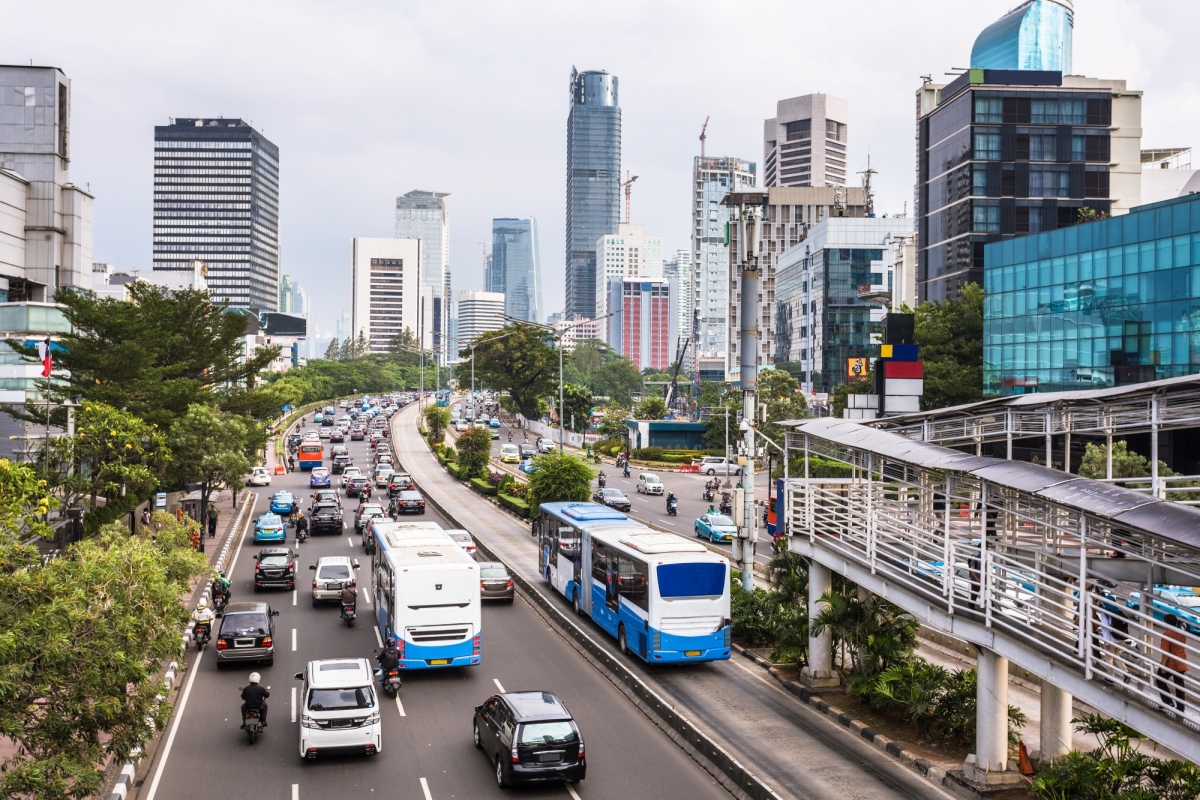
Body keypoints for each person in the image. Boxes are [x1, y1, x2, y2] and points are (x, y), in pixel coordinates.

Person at [1157, 613, 1189, 713]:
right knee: (1179, 685)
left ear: (1166, 622)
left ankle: (1167, 702)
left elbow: (1165, 652)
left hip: (1171, 663)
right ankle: (1180, 707)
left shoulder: (1167, 634)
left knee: (1160, 680)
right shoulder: (1181, 633)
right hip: (1181, 662)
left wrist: (1163, 666)